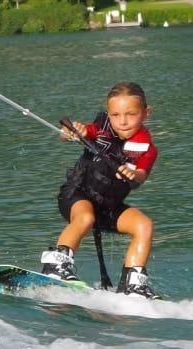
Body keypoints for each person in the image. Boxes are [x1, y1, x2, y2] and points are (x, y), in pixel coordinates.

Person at [41, 81, 159, 299]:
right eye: (116, 115)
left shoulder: (147, 150)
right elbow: (71, 135)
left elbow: (141, 176)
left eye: (131, 114)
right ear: (109, 114)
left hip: (107, 207)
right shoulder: (99, 130)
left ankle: (133, 285)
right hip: (77, 195)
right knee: (85, 217)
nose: (122, 122)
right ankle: (56, 266)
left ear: (146, 113)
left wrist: (135, 174)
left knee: (144, 225)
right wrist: (71, 132)